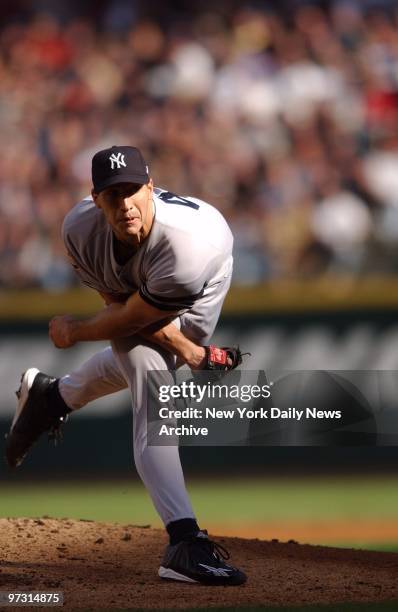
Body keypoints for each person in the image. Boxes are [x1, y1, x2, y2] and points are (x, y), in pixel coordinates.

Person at [5, 145, 247, 586]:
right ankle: (183, 541)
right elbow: (118, 304)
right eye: (112, 194)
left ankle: (52, 396)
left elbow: (137, 318)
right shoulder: (79, 228)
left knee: (170, 353)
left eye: (133, 190)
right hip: (147, 292)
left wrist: (77, 332)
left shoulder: (189, 247)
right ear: (95, 200)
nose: (125, 203)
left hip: (205, 276)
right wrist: (191, 357)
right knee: (155, 386)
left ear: (151, 187)